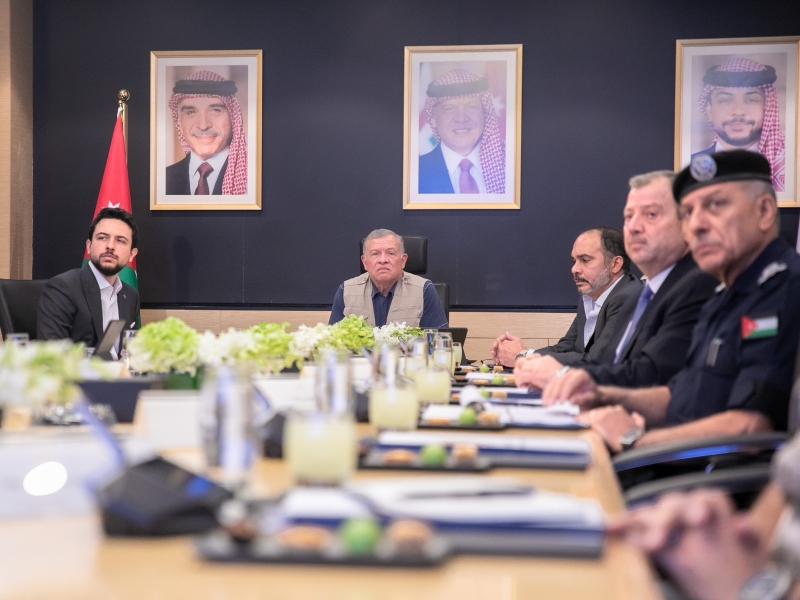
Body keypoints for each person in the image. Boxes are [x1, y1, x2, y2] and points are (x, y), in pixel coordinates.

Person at [544, 150, 800, 453]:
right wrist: (601, 393)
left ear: (765, 211)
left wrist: (633, 441)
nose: (697, 224)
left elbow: (750, 427)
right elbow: (680, 396)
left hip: (708, 474)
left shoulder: (783, 288)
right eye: (689, 212)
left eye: (715, 205)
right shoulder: (725, 295)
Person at [515, 170, 718, 389]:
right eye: (629, 217)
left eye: (651, 214)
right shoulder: (639, 297)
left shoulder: (698, 288)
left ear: (688, 222)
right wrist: (540, 366)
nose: (634, 227)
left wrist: (559, 374)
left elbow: (651, 377)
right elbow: (607, 365)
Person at [492, 227, 641, 367]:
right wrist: (524, 354)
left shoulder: (629, 298)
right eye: (574, 261)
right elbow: (567, 348)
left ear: (615, 264)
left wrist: (524, 357)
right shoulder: (589, 298)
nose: (574, 269)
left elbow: (598, 361)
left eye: (585, 260)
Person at [38, 208, 140, 358]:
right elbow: (52, 357)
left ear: (132, 254)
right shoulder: (62, 288)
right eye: (102, 238)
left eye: (120, 240)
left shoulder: (130, 296)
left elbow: (129, 352)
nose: (110, 246)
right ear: (88, 246)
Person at [693, 58, 785, 191]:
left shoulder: (787, 166)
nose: (738, 111)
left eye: (751, 100)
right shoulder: (691, 166)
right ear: (709, 110)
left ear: (767, 108)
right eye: (725, 100)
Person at [328, 229, 448, 328]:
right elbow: (332, 343)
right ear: (365, 262)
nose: (383, 260)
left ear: (403, 260)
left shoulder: (424, 290)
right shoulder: (346, 291)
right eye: (375, 254)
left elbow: (438, 342)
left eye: (390, 253)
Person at [419, 69, 505, 194]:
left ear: (485, 113)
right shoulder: (415, 172)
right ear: (433, 119)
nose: (461, 118)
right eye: (449, 109)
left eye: (471, 107)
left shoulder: (511, 163)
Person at [165, 70, 247, 195]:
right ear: (179, 124)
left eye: (215, 110)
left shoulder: (253, 178)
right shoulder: (162, 179)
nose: (203, 125)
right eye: (191, 112)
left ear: (233, 119)